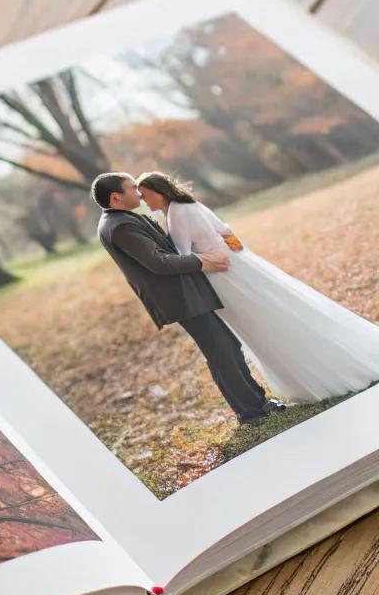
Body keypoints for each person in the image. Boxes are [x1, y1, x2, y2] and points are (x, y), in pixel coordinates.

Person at [137, 171, 379, 402]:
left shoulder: (176, 213)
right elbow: (226, 231)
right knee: (278, 310)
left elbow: (184, 255)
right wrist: (227, 247)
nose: (144, 201)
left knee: (262, 324)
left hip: (221, 275)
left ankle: (321, 375)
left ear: (160, 191)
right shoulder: (190, 204)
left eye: (146, 194)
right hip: (240, 265)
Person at [91, 171, 277, 426]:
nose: (139, 193)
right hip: (178, 297)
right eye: (133, 189)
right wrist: (204, 261)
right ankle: (252, 412)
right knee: (222, 350)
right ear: (115, 197)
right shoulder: (120, 226)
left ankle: (257, 403)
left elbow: (164, 249)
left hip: (184, 291)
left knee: (227, 347)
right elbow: (158, 262)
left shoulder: (121, 220)